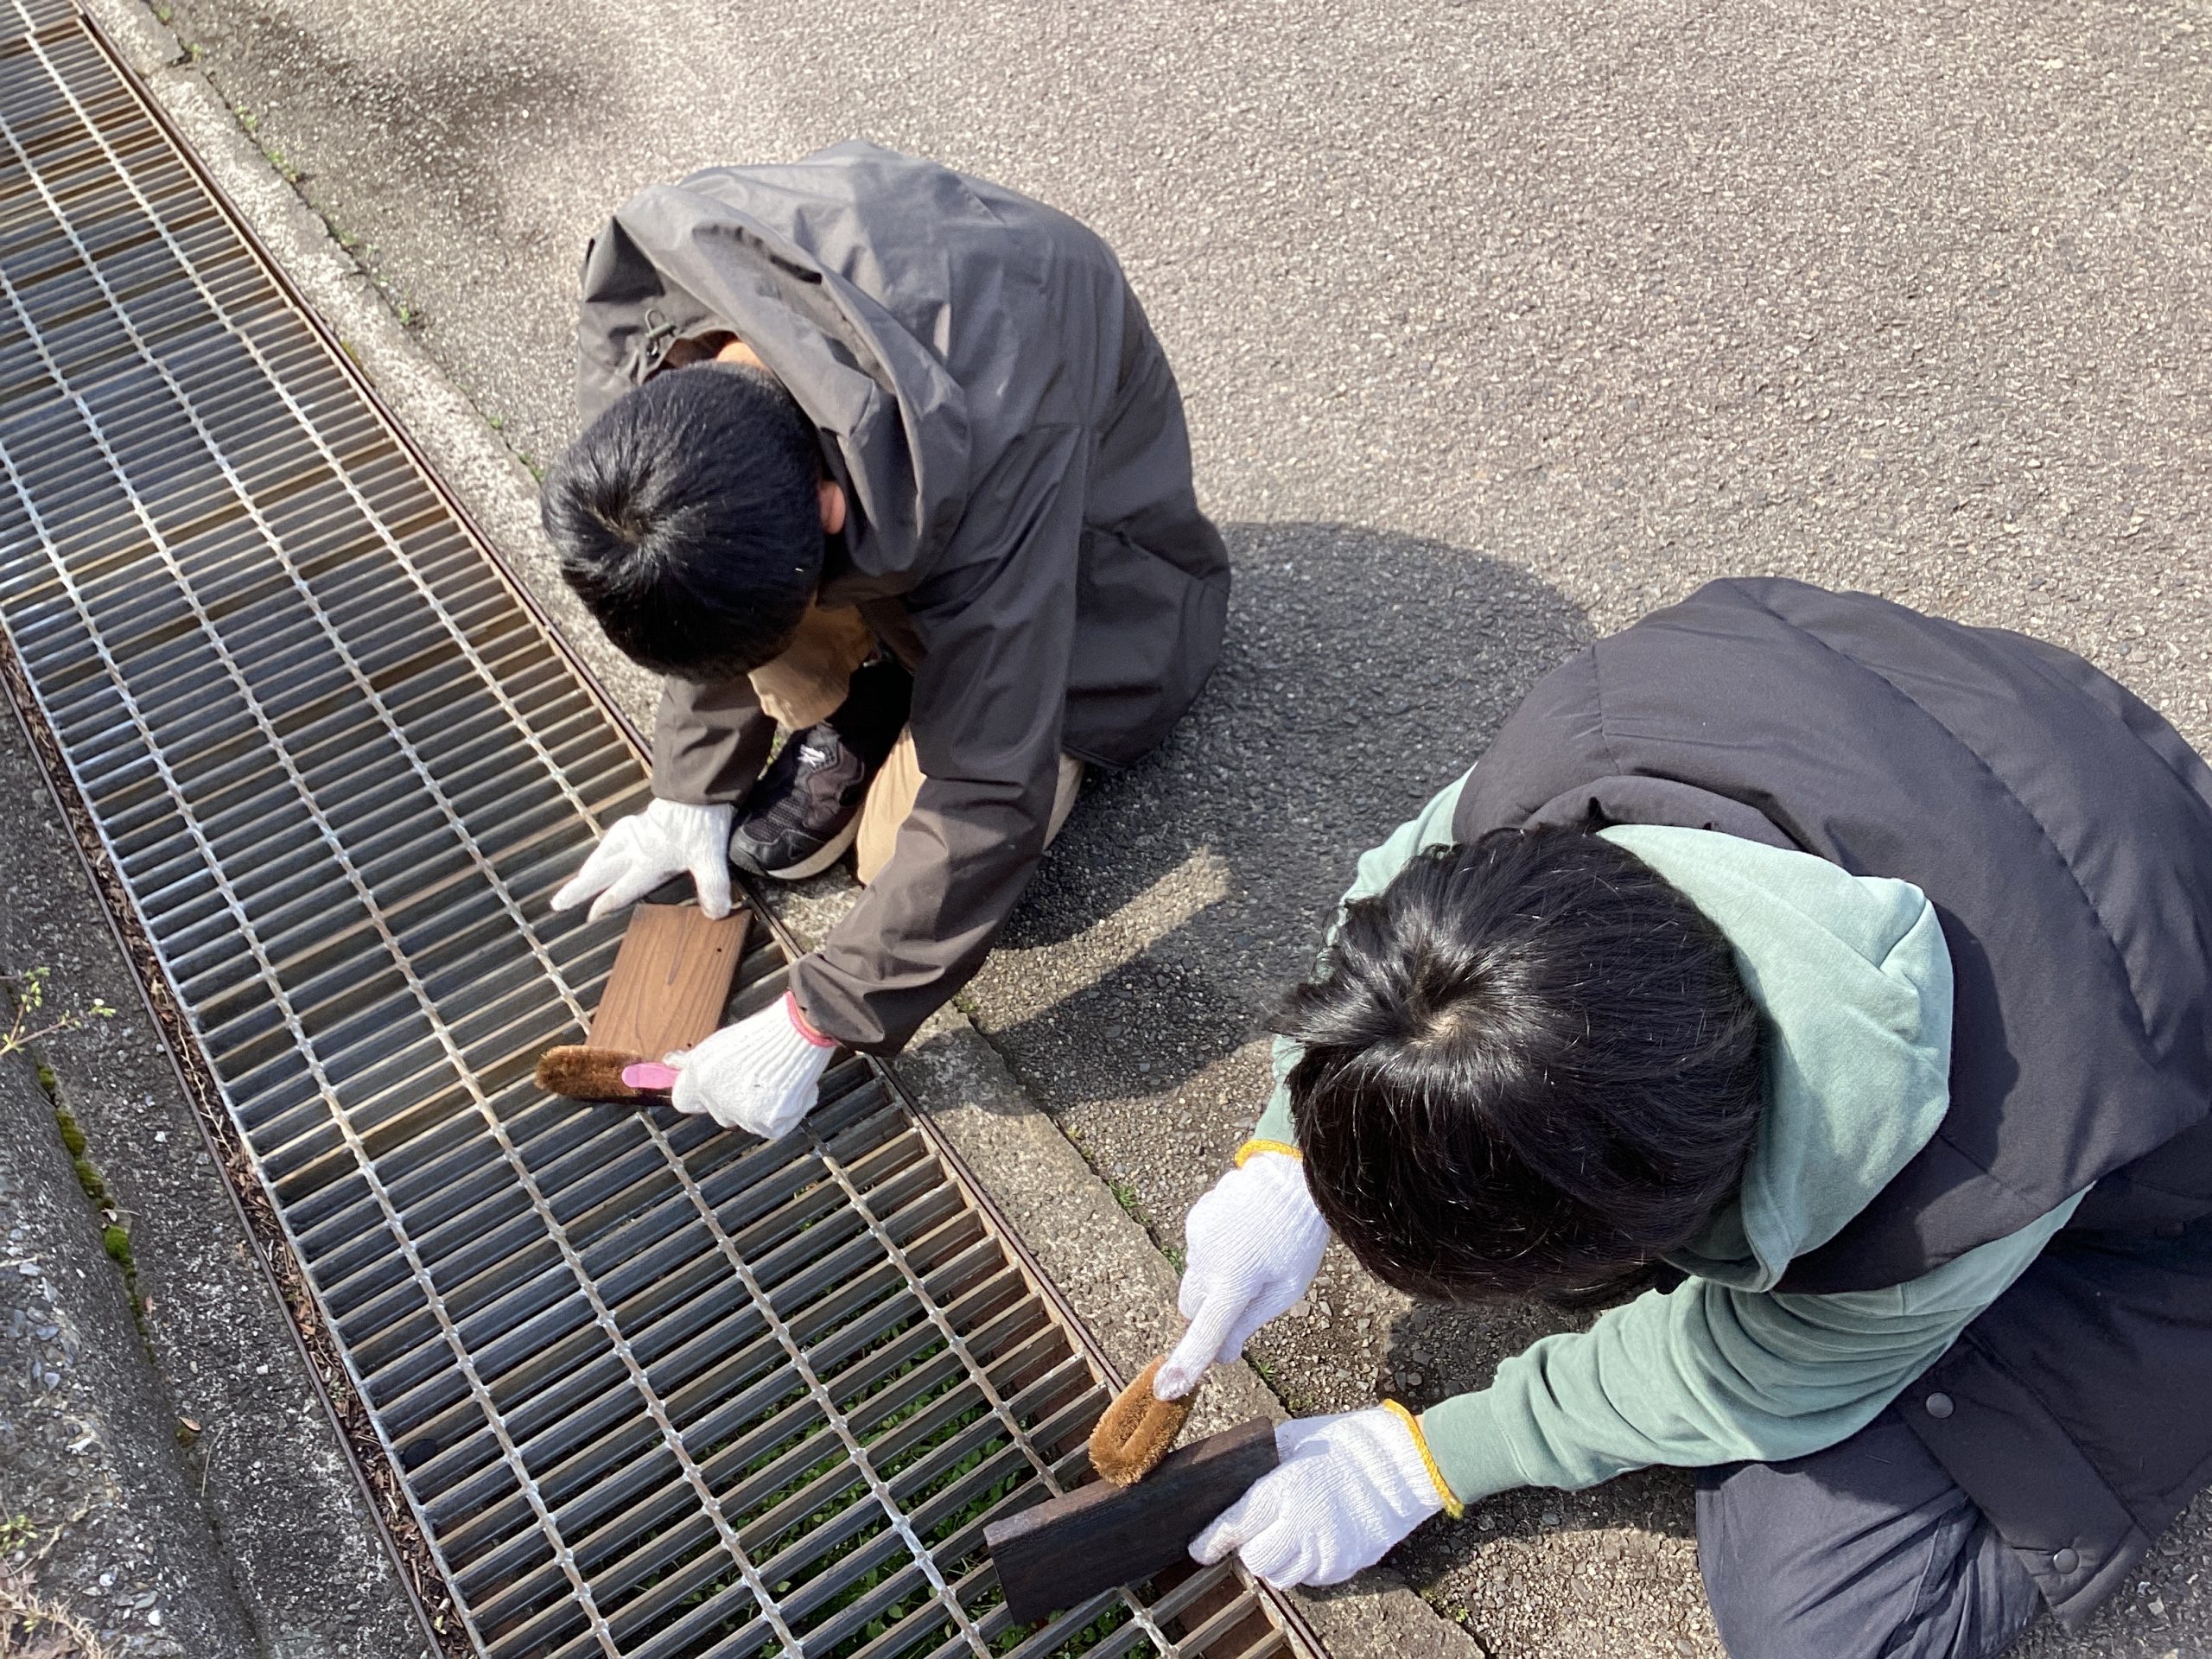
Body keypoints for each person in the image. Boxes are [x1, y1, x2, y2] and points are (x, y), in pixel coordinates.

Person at [1160, 578, 2212, 1657]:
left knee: (1829, 1630)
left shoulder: (1967, 1177)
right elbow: (1399, 907)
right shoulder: (1556, 795)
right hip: (1972, 770)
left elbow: (1742, 1369)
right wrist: (1286, 1159)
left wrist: (1429, 1462)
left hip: (2152, 1131)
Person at [540, 143, 1227, 1136]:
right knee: (711, 565)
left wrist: (821, 1021)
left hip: (1065, 512)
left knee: (894, 860)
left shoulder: (1004, 451)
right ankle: (872, 692)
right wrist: (688, 789)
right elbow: (687, 569)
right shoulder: (646, 331)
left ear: (826, 507)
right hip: (878, 389)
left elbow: (989, 792)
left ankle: (898, 680)